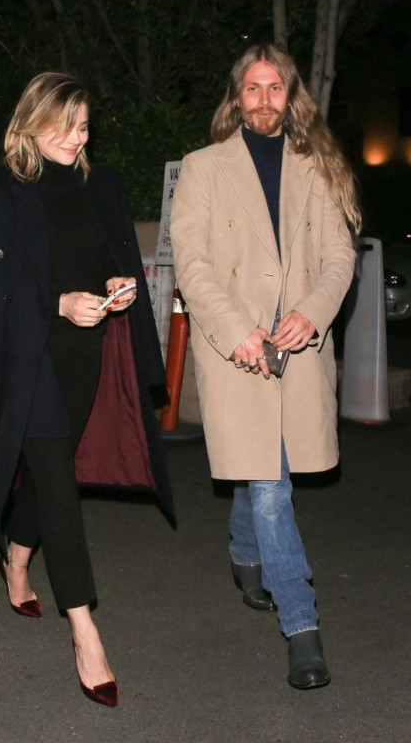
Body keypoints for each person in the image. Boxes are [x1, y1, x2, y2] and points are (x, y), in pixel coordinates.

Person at [0, 71, 173, 708]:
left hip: (81, 356)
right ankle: (85, 632)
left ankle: (16, 557)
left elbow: (107, 258)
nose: (75, 138)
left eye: (84, 126)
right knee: (60, 486)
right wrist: (56, 303)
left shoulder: (101, 187)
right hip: (23, 360)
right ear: (29, 123)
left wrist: (117, 285)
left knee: (50, 471)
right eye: (63, 126)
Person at [170, 44, 361, 690]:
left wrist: (314, 311)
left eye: (274, 87)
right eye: (252, 88)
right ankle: (302, 627)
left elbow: (339, 257)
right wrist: (236, 331)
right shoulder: (204, 168)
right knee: (272, 487)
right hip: (238, 349)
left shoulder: (317, 165)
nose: (263, 99)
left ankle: (245, 551)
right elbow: (192, 264)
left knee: (263, 471)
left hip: (297, 347)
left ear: (290, 95)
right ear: (236, 97)